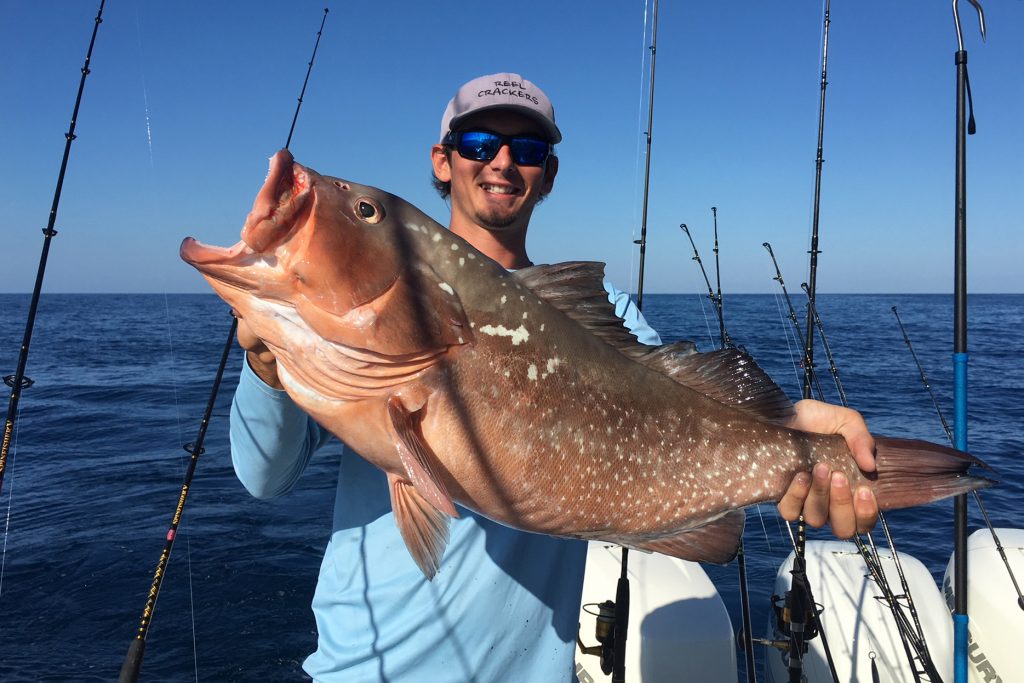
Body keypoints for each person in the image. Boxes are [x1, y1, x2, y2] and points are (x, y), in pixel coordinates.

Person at [230, 72, 879, 681]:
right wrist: (266, 362)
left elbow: (681, 408)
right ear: (443, 158)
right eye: (479, 142)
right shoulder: (324, 336)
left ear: (549, 174)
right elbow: (263, 474)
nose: (502, 162)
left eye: (528, 148)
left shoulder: (607, 317)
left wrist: (792, 433)